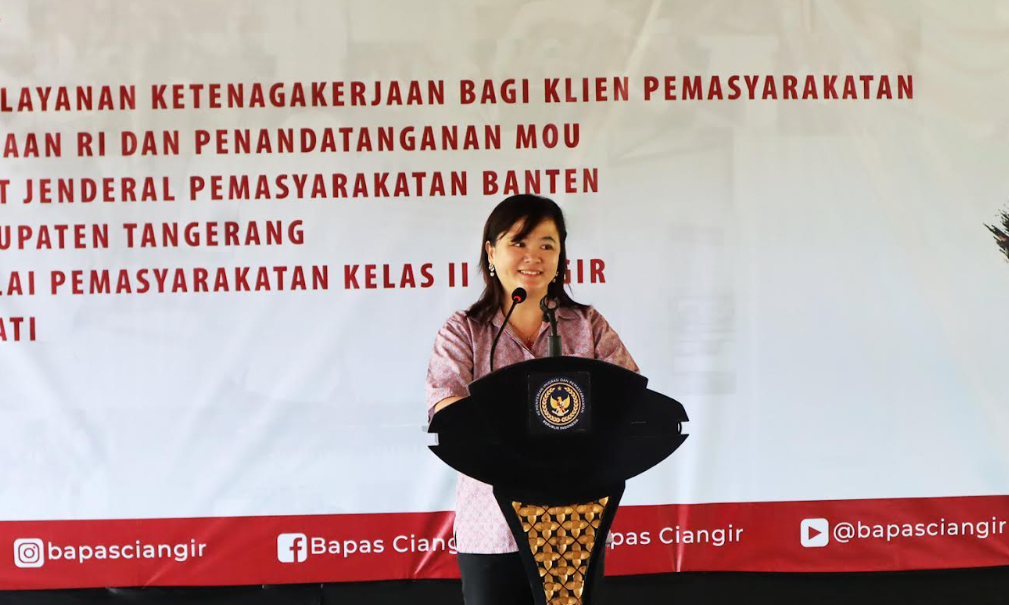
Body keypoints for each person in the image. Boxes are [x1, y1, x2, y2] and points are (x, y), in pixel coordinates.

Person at [425, 194, 638, 605]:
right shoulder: (464, 330)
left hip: (575, 524)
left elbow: (628, 399)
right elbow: (447, 409)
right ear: (491, 252)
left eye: (547, 244)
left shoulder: (587, 325)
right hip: (492, 527)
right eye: (518, 242)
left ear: (560, 256)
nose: (533, 256)